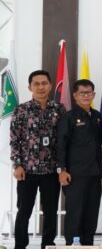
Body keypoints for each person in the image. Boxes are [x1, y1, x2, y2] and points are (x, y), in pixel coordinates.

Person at [10, 70, 65, 249]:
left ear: (50, 85)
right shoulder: (21, 110)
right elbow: (15, 139)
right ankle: (20, 245)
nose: (40, 87)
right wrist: (17, 164)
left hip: (51, 170)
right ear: (30, 87)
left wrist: (62, 167)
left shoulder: (59, 109)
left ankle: (47, 244)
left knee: (50, 212)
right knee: (24, 211)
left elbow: (63, 141)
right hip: (27, 170)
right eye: (36, 84)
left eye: (44, 83)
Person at [57, 79, 102, 245]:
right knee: (75, 215)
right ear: (75, 95)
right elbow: (61, 145)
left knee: (91, 214)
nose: (86, 95)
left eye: (89, 92)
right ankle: (72, 246)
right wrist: (61, 169)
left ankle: (88, 246)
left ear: (94, 94)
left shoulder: (97, 116)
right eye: (82, 93)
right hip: (74, 175)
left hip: (95, 174)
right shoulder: (68, 117)